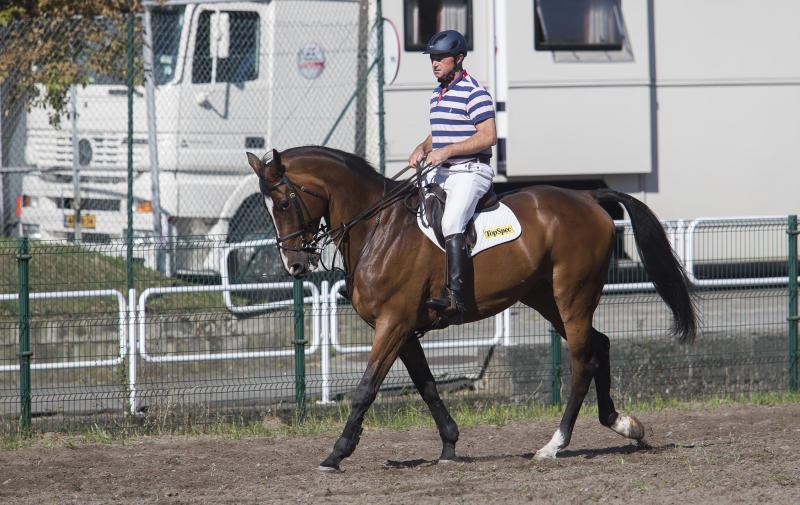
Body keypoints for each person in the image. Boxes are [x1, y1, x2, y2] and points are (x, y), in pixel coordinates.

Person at [408, 30, 497, 323]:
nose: (434, 63)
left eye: (440, 58)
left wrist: (447, 152)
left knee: (450, 222)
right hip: (444, 171)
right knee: (408, 210)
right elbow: (440, 132)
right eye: (432, 58)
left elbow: (488, 136)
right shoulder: (438, 93)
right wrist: (423, 147)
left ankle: (456, 298)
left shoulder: (475, 91)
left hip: (472, 170)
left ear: (458, 59)